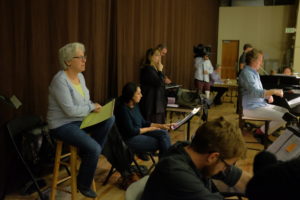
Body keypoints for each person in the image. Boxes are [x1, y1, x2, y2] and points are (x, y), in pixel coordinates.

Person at [47, 42, 115, 198]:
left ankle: (88, 153)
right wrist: (91, 108)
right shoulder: (59, 81)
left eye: (85, 57)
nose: (84, 60)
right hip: (62, 125)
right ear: (68, 61)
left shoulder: (80, 77)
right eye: (81, 57)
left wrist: (94, 106)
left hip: (79, 120)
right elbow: (69, 110)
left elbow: (85, 102)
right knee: (95, 149)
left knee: (110, 117)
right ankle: (83, 183)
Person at [141, 116, 251, 200]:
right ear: (213, 157)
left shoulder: (192, 150)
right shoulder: (175, 172)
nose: (225, 169)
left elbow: (242, 179)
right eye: (227, 166)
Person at [239, 48, 297, 138]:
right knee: (285, 117)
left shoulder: (254, 73)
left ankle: (261, 132)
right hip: (251, 108)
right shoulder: (246, 73)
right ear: (253, 60)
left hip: (259, 105)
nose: (261, 63)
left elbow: (259, 90)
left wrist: (267, 96)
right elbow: (254, 92)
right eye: (260, 60)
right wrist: (273, 91)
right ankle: (260, 133)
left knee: (286, 112)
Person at [115, 82, 171, 160]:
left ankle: (165, 165)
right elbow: (131, 132)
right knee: (162, 142)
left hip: (140, 132)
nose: (141, 95)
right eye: (138, 93)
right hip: (129, 139)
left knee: (164, 133)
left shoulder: (135, 105)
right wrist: (151, 129)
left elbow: (144, 123)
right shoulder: (123, 110)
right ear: (131, 95)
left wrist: (162, 126)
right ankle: (165, 166)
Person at [140, 48, 167, 124]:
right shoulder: (148, 69)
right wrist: (160, 70)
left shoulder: (154, 69)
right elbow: (159, 83)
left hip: (156, 103)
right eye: (157, 55)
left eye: (159, 55)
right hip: (151, 104)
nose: (159, 58)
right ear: (150, 57)